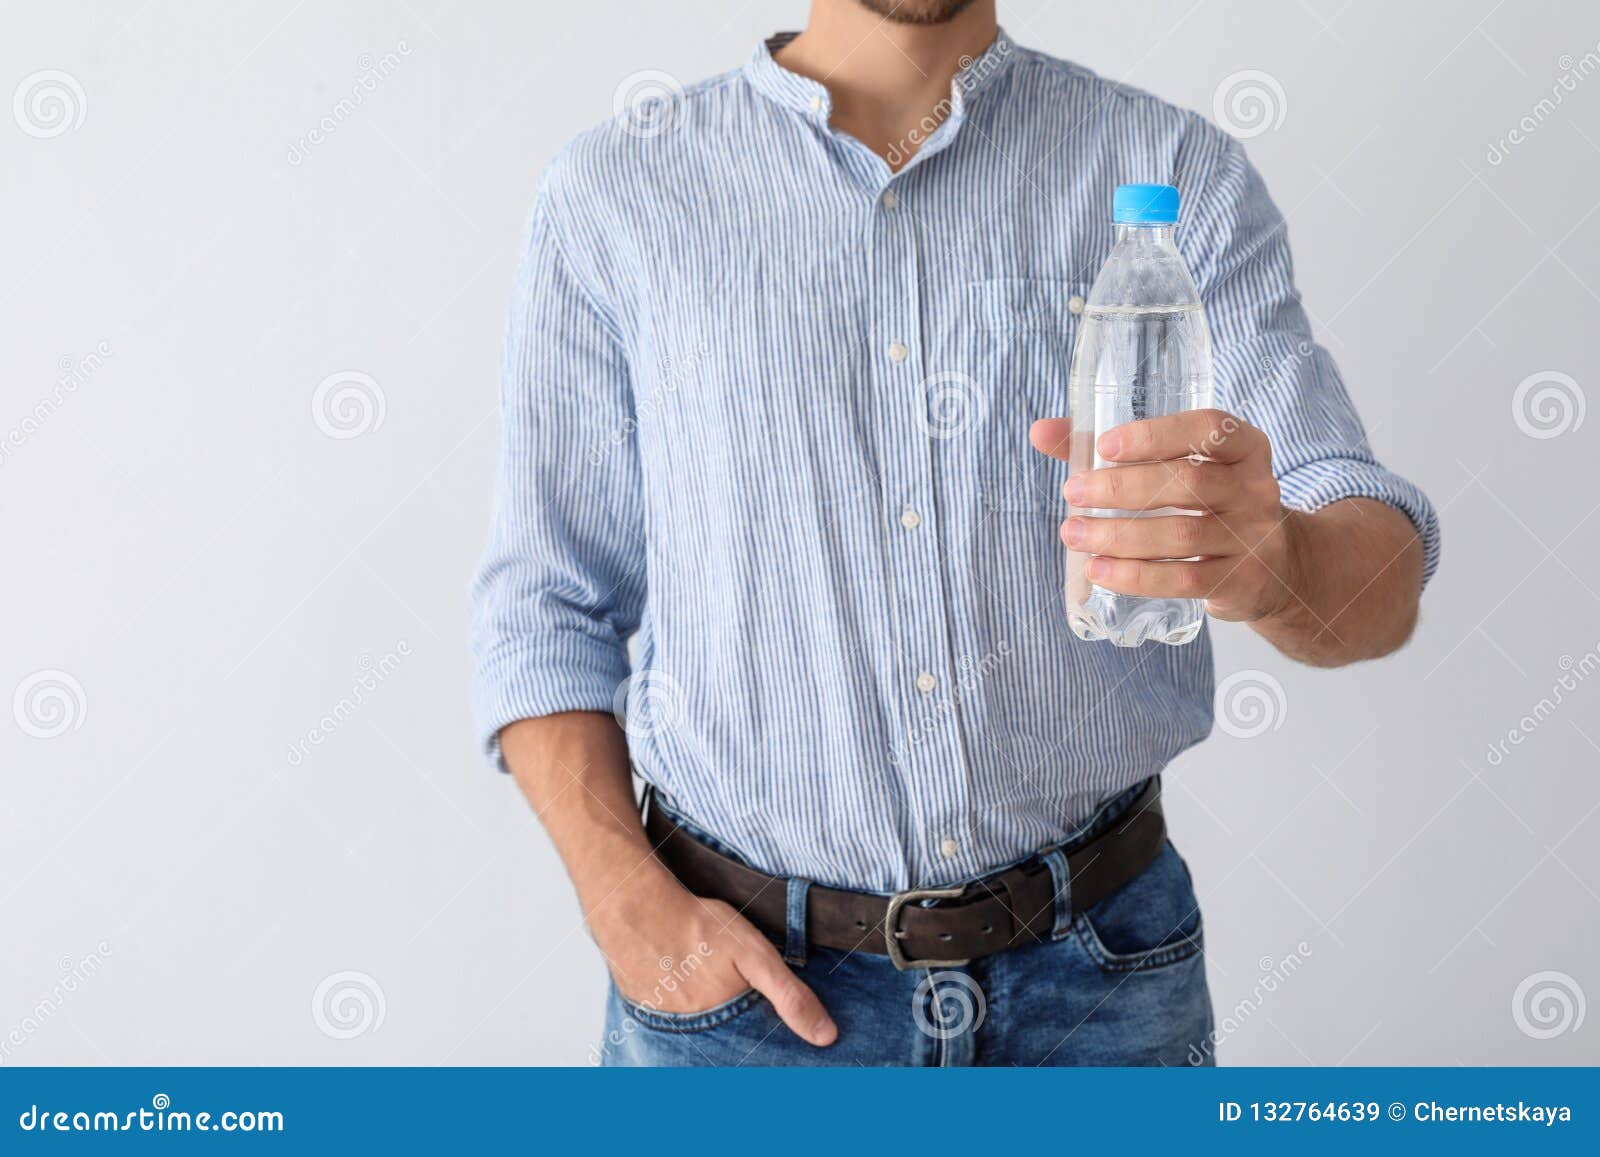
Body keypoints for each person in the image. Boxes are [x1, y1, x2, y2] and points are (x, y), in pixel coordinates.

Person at [469, 0, 1438, 1066]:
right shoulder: (616, 191)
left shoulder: (1170, 170)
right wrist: (626, 902)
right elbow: (547, 605)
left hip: (1100, 999)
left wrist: (1279, 562)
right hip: (741, 1014)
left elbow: (1370, 569)